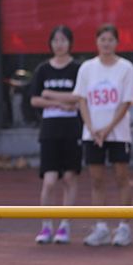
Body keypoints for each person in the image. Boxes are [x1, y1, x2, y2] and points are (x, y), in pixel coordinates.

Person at [73, 24, 133, 247]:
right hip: (93, 134)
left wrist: (108, 128)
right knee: (96, 179)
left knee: (121, 177)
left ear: (117, 42)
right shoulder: (87, 68)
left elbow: (126, 101)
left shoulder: (126, 68)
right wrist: (91, 128)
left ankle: (124, 226)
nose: (106, 44)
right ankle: (100, 226)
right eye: (103, 40)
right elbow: (82, 99)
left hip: (118, 134)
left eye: (110, 40)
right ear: (97, 42)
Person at [23, 26, 84, 244]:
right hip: (50, 130)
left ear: (70, 43)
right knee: (49, 181)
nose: (59, 44)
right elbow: (35, 99)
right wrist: (59, 102)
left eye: (63, 40)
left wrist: (50, 94)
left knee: (69, 177)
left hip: (72, 129)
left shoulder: (78, 69)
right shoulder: (43, 69)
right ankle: (46, 225)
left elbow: (79, 97)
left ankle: (65, 225)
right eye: (55, 40)